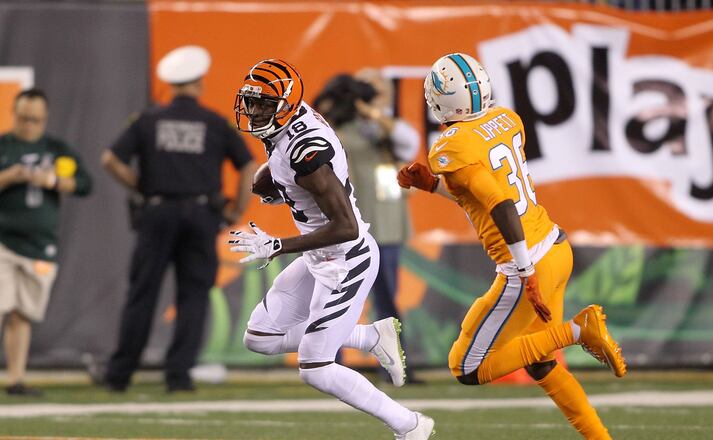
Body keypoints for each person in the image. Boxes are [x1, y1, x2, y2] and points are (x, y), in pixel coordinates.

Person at [397, 53, 627, 439]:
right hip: (555, 245)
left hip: (528, 262)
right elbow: (487, 195)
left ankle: (577, 331)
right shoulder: (505, 119)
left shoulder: (450, 145)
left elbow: (501, 205)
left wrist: (524, 271)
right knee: (539, 363)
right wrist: (435, 186)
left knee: (466, 367)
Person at [228, 59, 434, 440]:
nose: (254, 112)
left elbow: (345, 227)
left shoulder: (306, 151)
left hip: (346, 259)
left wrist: (277, 245)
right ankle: (370, 337)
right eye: (251, 103)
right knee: (259, 338)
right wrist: (281, 186)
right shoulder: (294, 125)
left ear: (286, 106)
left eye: (263, 105)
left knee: (316, 367)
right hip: (320, 256)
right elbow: (290, 167)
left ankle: (411, 425)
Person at [100, 45, 256, 392]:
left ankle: (119, 375)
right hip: (201, 214)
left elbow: (110, 159)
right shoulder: (215, 123)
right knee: (194, 295)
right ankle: (178, 376)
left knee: (143, 293)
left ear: (171, 85)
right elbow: (248, 165)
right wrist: (236, 210)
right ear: (199, 83)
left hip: (157, 212)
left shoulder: (148, 120)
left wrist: (141, 187)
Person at [313, 70, 421, 383]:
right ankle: (327, 366)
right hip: (345, 228)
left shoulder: (384, 128)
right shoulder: (333, 127)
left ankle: (394, 367)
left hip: (385, 227)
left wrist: (370, 112)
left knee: (387, 299)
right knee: (335, 297)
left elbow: (408, 142)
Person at [0, 88, 92, 396]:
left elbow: (84, 183)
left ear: (45, 119)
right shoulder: (4, 146)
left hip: (40, 244)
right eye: (24, 119)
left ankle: (15, 379)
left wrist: (52, 180)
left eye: (35, 120)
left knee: (22, 313)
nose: (29, 126)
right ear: (14, 114)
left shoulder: (56, 148)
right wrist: (8, 177)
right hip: (3, 239)